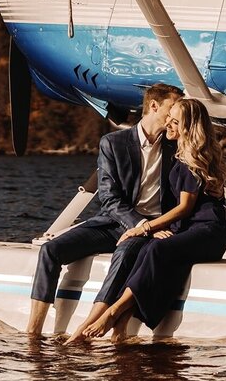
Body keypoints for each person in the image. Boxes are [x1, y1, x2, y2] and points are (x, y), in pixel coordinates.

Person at [26, 83, 184, 336]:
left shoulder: (176, 144)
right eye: (173, 106)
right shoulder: (113, 143)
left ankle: (90, 326)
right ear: (154, 106)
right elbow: (110, 199)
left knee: (123, 255)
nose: (178, 111)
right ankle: (33, 332)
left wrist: (152, 227)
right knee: (50, 250)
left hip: (155, 229)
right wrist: (138, 224)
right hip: (114, 223)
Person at [80, 98, 226, 342]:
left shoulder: (191, 159)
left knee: (157, 249)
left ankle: (114, 311)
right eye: (168, 119)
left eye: (175, 122)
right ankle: (122, 323)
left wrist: (143, 228)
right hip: (191, 229)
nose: (168, 125)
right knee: (150, 250)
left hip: (209, 232)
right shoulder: (182, 153)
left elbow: (184, 207)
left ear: (188, 127)